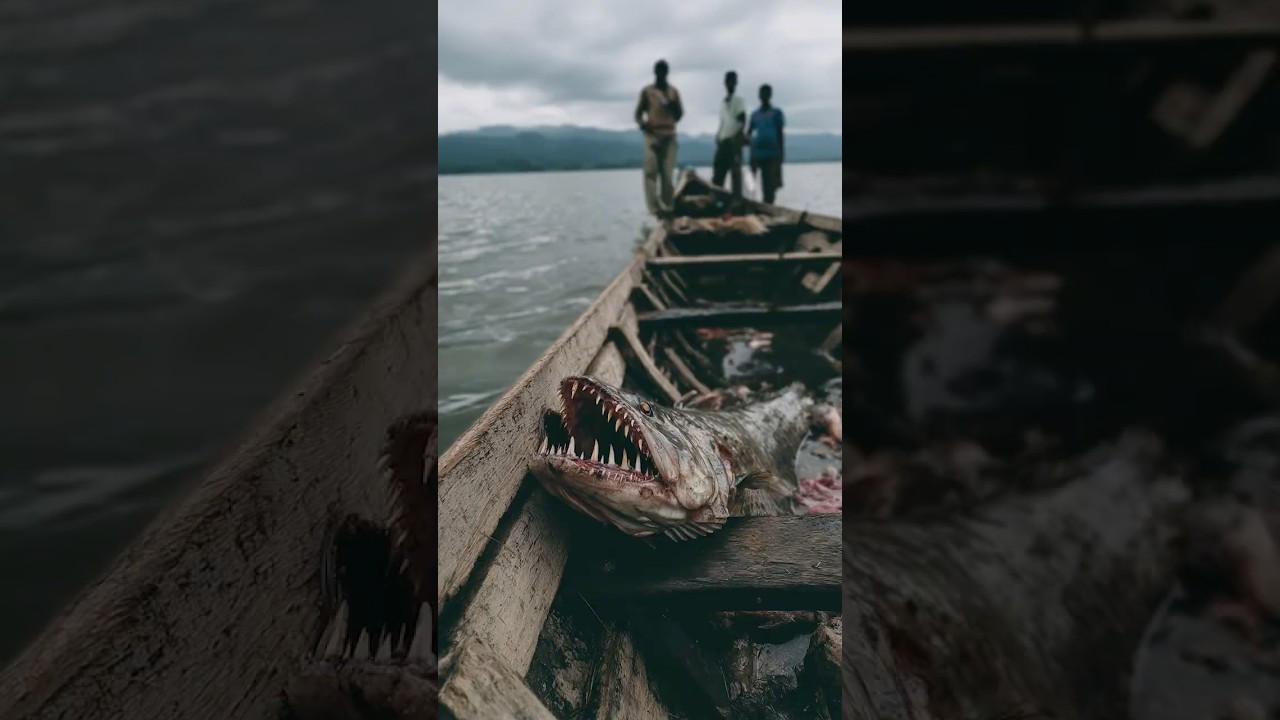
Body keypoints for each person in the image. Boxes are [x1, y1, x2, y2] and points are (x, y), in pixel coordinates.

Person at [634, 59, 683, 217]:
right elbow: (638, 114)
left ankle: (668, 206)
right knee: (650, 171)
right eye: (659, 71)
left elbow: (679, 115)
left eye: (664, 71)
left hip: (669, 136)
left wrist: (672, 105)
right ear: (655, 72)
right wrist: (643, 125)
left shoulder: (673, 92)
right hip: (652, 135)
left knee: (667, 175)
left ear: (667, 73)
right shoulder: (647, 91)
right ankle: (655, 209)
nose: (661, 74)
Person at [747, 84, 785, 204]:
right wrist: (751, 153)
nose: (764, 96)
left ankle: (769, 206)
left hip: (773, 153)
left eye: (766, 93)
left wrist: (781, 154)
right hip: (758, 154)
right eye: (762, 93)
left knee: (771, 185)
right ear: (759, 96)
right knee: (754, 184)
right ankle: (758, 206)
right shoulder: (755, 114)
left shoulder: (776, 113)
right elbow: (749, 132)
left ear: (770, 95)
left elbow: (780, 133)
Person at [712, 70, 746, 197]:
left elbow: (743, 121)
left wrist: (737, 139)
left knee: (735, 174)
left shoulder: (738, 101)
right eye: (728, 81)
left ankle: (737, 201)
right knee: (718, 173)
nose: (730, 84)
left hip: (733, 142)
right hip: (723, 141)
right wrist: (718, 135)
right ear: (725, 83)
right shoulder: (723, 102)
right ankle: (717, 200)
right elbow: (723, 120)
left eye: (732, 81)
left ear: (736, 83)